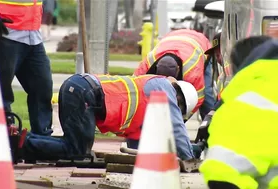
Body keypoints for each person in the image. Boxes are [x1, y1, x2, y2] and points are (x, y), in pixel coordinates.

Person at [21, 74, 200, 161]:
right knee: (76, 151)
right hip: (84, 92)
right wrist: (189, 159)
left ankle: (23, 140)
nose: (173, 112)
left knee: (75, 147)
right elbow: (177, 128)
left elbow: (140, 150)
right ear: (178, 98)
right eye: (177, 108)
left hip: (82, 91)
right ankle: (20, 144)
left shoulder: (145, 116)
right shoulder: (162, 86)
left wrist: (194, 148)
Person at [199, 36, 277, 189]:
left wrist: (211, 116)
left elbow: (221, 173)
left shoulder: (245, 103)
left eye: (219, 53)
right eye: (216, 55)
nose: (219, 57)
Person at [0, 0, 53, 136]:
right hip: (4, 32)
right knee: (1, 89)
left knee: (42, 86)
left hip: (33, 34)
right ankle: (4, 134)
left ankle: (41, 139)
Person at [133, 29, 214, 119]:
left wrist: (181, 120)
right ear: (156, 68)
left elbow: (197, 98)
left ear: (178, 70)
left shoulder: (191, 71)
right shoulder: (148, 63)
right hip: (173, 39)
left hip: (201, 44)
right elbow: (134, 88)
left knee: (207, 96)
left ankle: (210, 125)